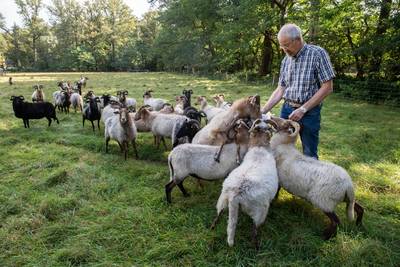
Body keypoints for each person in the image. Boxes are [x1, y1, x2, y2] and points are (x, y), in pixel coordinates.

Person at [261, 23, 335, 159]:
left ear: (298, 39)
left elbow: (327, 87)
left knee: (309, 153)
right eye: (281, 46)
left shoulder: (317, 54)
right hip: (287, 111)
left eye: (286, 45)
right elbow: (281, 88)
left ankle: (310, 179)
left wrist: (303, 109)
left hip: (310, 113)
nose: (284, 49)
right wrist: (263, 111)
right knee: (280, 149)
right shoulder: (286, 61)